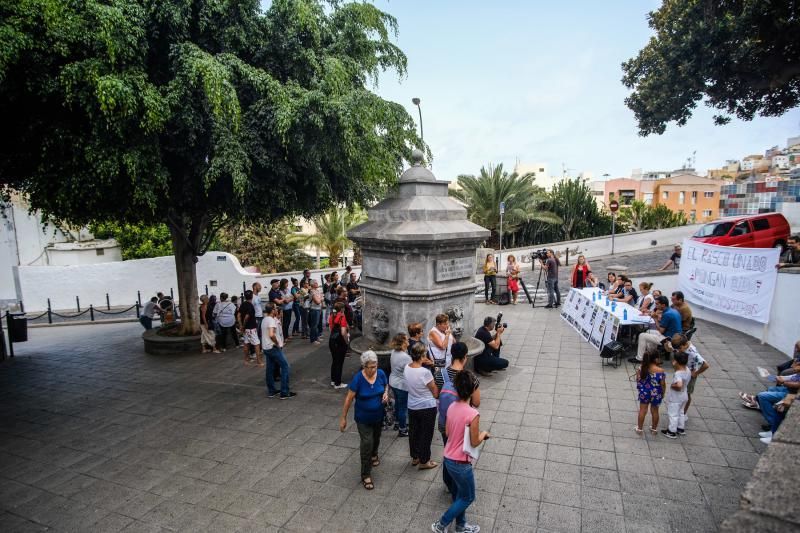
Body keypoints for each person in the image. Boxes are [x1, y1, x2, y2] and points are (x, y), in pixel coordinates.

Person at [431, 371, 489, 533]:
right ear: (471, 391)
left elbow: (448, 433)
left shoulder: (451, 407)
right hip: (461, 464)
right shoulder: (473, 414)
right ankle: (441, 524)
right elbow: (475, 441)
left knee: (460, 495)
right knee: (468, 497)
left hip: (448, 459)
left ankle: (461, 526)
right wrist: (484, 434)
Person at [339, 351, 388, 490]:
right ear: (364, 366)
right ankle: (366, 474)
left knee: (377, 438)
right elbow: (348, 399)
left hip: (378, 416)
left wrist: (385, 393)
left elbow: (385, 385)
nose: (373, 369)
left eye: (375, 366)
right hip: (363, 418)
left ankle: (374, 454)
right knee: (367, 443)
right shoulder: (358, 379)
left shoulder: (381, 374)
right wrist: (343, 418)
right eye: (370, 367)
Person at [405, 342, 439, 470]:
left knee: (414, 432)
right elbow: (435, 392)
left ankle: (415, 457)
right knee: (426, 433)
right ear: (422, 355)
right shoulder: (425, 373)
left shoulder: (406, 367)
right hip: (426, 406)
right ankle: (424, 460)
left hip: (412, 405)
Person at [669, 333, 710, 420]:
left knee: (687, 394)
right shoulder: (684, 345)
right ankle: (679, 411)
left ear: (684, 345)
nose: (679, 350)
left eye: (680, 348)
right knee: (682, 393)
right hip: (683, 372)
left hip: (690, 375)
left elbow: (706, 365)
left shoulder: (692, 352)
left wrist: (696, 373)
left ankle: (683, 414)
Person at [262, 303, 295, 399]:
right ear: (272, 310)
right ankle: (284, 392)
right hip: (272, 347)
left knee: (270, 369)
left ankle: (271, 391)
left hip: (266, 347)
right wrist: (277, 343)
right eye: (275, 308)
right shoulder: (271, 320)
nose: (277, 309)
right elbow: (271, 334)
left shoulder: (264, 319)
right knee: (285, 366)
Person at [634, 295, 681, 362]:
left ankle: (639, 358)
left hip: (669, 339)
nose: (655, 306)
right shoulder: (672, 310)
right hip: (675, 336)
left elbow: (661, 331)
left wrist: (655, 319)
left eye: (657, 304)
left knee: (642, 335)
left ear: (663, 305)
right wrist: (651, 314)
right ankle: (652, 355)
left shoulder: (667, 314)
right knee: (648, 331)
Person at [661, 351, 691, 439]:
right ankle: (680, 428)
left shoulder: (678, 373)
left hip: (676, 397)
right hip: (684, 395)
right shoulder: (687, 369)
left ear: (676, 361)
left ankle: (671, 431)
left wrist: (672, 385)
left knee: (673, 414)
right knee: (681, 412)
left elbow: (679, 385)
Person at [635, 348, 665, 435]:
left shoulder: (641, 368)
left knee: (642, 410)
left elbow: (638, 379)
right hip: (656, 393)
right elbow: (662, 384)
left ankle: (639, 429)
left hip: (644, 392)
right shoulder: (660, 371)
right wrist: (663, 393)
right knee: (655, 411)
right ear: (656, 359)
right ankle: (654, 429)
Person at [389, 333, 411, 437]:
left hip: (393, 382)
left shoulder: (393, 352)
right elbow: (411, 371)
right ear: (402, 343)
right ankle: (403, 429)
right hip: (401, 385)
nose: (408, 341)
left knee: (398, 404)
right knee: (402, 407)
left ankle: (397, 423)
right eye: (406, 340)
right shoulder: (405, 357)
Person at [428, 314, 454, 389]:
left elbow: (453, 341)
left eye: (447, 323)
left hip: (448, 360)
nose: (447, 325)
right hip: (439, 362)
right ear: (438, 324)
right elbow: (443, 346)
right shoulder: (433, 332)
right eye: (445, 324)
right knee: (440, 382)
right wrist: (447, 334)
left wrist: (449, 334)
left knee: (447, 381)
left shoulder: (445, 331)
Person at [329, 301, 350, 389]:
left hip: (332, 341)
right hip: (340, 342)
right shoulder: (342, 317)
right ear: (342, 309)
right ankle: (338, 383)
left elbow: (331, 328)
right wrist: (346, 341)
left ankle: (333, 380)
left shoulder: (331, 316)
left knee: (334, 361)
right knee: (339, 362)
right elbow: (343, 332)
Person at [239, 290, 263, 367]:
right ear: (252, 296)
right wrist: (243, 325)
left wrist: (241, 325)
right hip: (251, 327)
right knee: (256, 344)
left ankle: (246, 359)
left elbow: (238, 315)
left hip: (246, 328)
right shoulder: (250, 306)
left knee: (246, 343)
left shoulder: (243, 304)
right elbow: (247, 317)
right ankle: (259, 361)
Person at [308, 280, 324, 345]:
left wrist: (320, 298)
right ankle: (313, 339)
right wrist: (320, 298)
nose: (317, 284)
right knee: (314, 325)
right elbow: (317, 302)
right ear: (312, 285)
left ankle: (317, 337)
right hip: (314, 309)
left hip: (319, 309)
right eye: (315, 283)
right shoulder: (312, 291)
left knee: (317, 324)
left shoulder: (317, 291)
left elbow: (322, 298)